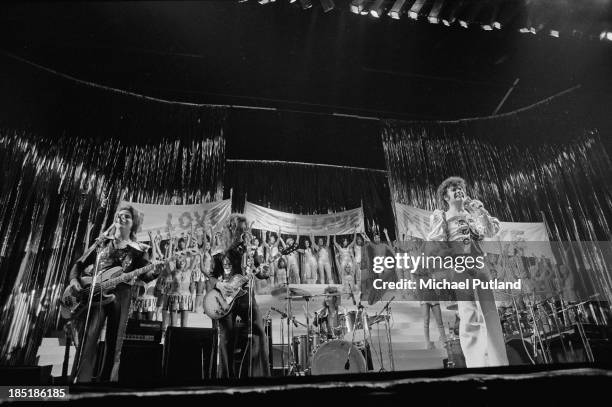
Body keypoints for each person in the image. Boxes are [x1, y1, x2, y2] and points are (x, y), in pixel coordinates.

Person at [68, 205, 164, 382]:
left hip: (122, 297)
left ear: (133, 223)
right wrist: (75, 282)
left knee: (115, 344)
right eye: (119, 215)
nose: (121, 218)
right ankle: (81, 382)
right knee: (88, 339)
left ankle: (107, 386)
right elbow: (78, 265)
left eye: (126, 216)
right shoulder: (101, 243)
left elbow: (146, 275)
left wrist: (156, 270)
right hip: (96, 294)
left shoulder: (137, 251)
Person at [427, 176, 508, 368]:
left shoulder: (474, 214)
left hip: (480, 265)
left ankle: (499, 362)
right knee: (469, 314)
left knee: (490, 313)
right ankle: (477, 364)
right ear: (445, 197)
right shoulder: (442, 216)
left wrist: (480, 210)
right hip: (460, 267)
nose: (459, 190)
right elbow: (435, 244)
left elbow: (491, 230)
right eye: (453, 188)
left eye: (461, 187)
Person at [207, 214, 271, 378]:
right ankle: (226, 379)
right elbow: (212, 276)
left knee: (259, 334)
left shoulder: (250, 250)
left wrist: (264, 272)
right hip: (225, 300)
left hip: (247, 298)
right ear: (231, 229)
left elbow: (259, 272)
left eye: (245, 229)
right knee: (226, 338)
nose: (243, 233)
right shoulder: (220, 251)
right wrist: (220, 284)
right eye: (239, 229)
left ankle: (257, 376)